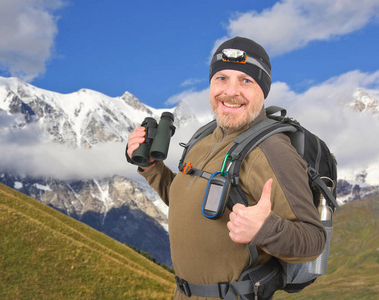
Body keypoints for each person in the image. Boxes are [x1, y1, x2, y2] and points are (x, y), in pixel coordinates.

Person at [126, 37, 326, 299]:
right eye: (222, 78)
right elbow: (189, 201)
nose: (231, 91)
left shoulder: (272, 152)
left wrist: (264, 230)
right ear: (210, 85)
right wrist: (152, 167)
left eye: (246, 81)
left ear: (263, 90)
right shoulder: (205, 137)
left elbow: (313, 240)